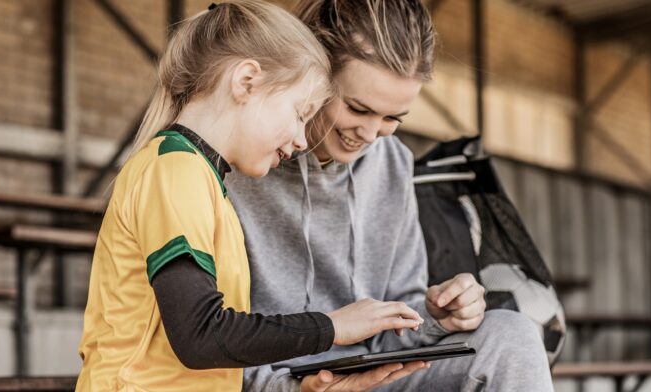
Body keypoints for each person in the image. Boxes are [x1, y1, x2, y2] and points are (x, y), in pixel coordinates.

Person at [76, 1, 425, 391]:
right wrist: (334, 326)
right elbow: (201, 336)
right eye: (299, 113)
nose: (299, 138)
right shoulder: (173, 172)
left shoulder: (205, 182)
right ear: (246, 81)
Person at [226, 0, 555, 390]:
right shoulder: (237, 162)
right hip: (277, 383)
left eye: (391, 118)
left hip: (376, 375)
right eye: (357, 108)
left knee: (510, 334)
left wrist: (435, 315)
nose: (369, 134)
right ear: (311, 73)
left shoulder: (393, 163)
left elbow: (398, 316)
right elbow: (199, 331)